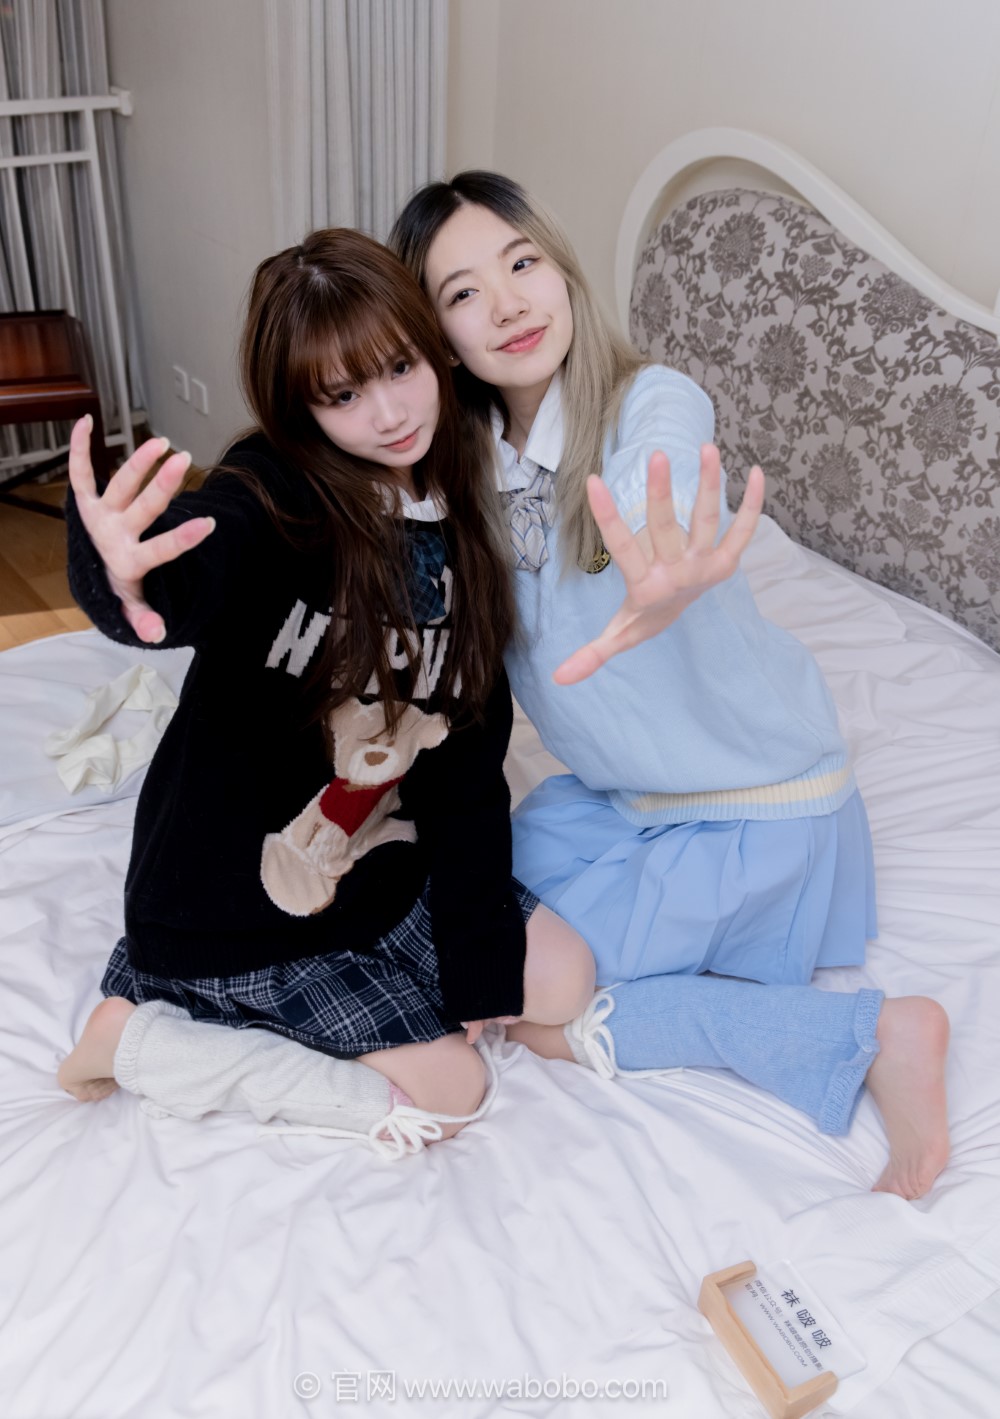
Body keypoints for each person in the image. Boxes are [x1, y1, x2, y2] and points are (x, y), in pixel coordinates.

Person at [385, 171, 950, 1198]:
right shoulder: (466, 475)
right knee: (446, 901)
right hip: (626, 803)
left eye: (522, 262)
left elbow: (666, 470)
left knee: (531, 1004)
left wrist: (664, 556)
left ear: (561, 269)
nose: (507, 304)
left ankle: (869, 1035)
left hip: (759, 816)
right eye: (464, 292)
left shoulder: (650, 400)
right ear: (439, 337)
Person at [56, 228, 597, 1155]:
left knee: (564, 979)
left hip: (372, 860)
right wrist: (121, 571)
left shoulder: (461, 520)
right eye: (342, 396)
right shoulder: (278, 496)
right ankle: (139, 1037)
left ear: (433, 350)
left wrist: (477, 967)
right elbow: (198, 558)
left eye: (401, 368)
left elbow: (465, 761)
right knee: (453, 1093)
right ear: (300, 409)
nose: (387, 415)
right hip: (229, 896)